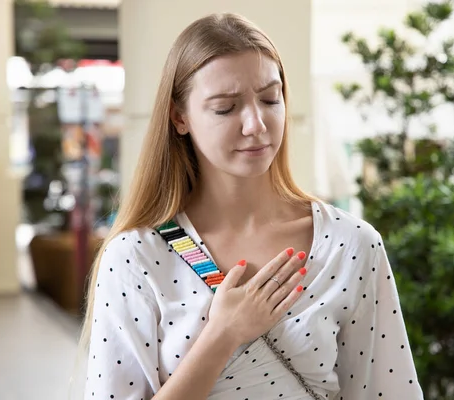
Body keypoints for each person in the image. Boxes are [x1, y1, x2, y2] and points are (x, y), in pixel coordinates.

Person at [78, 12, 423, 400]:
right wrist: (224, 333)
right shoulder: (136, 256)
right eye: (226, 108)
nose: (256, 124)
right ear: (179, 117)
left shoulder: (352, 245)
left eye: (270, 99)